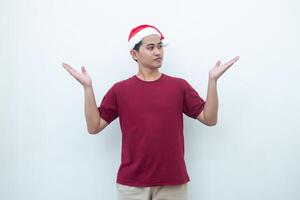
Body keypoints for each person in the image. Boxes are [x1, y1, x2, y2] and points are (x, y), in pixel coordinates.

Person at [62, 24, 239, 200]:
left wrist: (213, 81)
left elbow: (209, 119)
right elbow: (94, 126)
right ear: (134, 54)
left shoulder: (179, 86)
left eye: (160, 47)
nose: (158, 52)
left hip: (173, 182)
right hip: (132, 185)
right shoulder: (120, 90)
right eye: (151, 47)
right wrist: (87, 88)